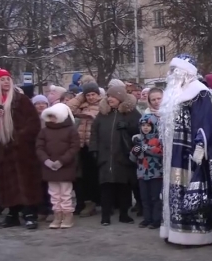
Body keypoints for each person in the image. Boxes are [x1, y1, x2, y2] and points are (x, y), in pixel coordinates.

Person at [160, 54, 212, 246]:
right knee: (174, 188)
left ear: (185, 72)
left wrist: (199, 149)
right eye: (171, 70)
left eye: (175, 70)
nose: (171, 74)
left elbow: (205, 123)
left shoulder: (199, 92)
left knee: (191, 188)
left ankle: (196, 233)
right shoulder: (173, 93)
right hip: (174, 152)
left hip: (190, 152)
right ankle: (174, 229)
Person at [0, 67, 43, 230]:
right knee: (8, 183)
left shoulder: (21, 99)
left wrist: (19, 138)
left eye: (8, 78)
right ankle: (12, 214)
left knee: (27, 181)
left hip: (22, 149)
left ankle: (30, 213)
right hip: (3, 149)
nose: (6, 82)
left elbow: (33, 122)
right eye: (2, 79)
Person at [90, 81, 140, 225]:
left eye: (112, 97)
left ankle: (124, 214)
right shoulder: (102, 114)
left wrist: (128, 127)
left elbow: (140, 129)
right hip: (105, 157)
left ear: (120, 98)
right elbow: (94, 133)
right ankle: (105, 216)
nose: (109, 99)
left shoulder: (131, 113)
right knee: (106, 187)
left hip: (123, 156)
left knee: (124, 187)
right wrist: (94, 149)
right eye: (108, 97)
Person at [36, 103, 80, 229]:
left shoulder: (71, 130)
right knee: (54, 193)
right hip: (49, 167)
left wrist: (62, 161)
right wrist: (46, 161)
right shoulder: (44, 131)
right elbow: (39, 147)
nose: (52, 119)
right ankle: (57, 214)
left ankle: (67, 215)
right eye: (50, 116)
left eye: (54, 116)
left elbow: (74, 147)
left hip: (65, 167)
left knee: (65, 193)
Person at [68, 80, 102, 217]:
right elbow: (68, 108)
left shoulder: (103, 104)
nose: (91, 97)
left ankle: (95, 202)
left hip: (94, 145)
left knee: (94, 175)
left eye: (93, 94)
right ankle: (85, 202)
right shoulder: (81, 105)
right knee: (82, 176)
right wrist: (80, 97)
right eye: (88, 95)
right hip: (81, 145)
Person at [129, 112, 164, 230]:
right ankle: (147, 219)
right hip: (142, 174)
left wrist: (147, 149)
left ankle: (156, 220)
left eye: (148, 125)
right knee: (145, 198)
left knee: (155, 198)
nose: (145, 128)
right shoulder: (139, 140)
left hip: (156, 174)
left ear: (154, 126)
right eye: (143, 125)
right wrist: (134, 152)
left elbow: (161, 153)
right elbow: (133, 159)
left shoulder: (158, 140)